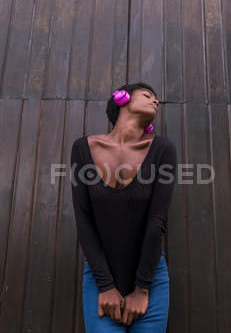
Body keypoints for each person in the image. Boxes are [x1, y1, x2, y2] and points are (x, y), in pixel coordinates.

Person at [70, 83, 177, 333]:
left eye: (156, 99)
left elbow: (157, 222)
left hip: (150, 279)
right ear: (123, 98)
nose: (156, 102)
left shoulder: (163, 149)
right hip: (100, 277)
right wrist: (106, 286)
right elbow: (83, 220)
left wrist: (142, 289)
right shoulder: (83, 149)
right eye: (148, 95)